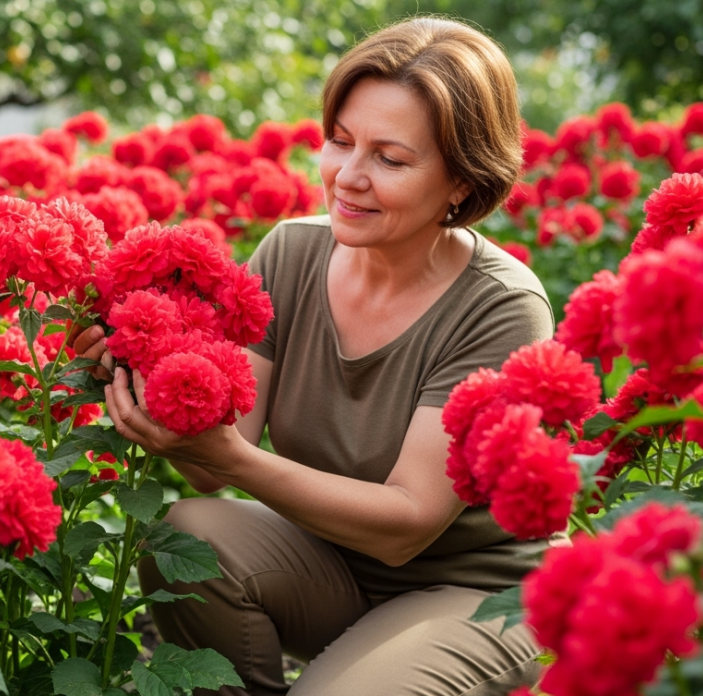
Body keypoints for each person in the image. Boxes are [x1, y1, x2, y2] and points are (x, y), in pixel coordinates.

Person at [74, 17, 553, 696]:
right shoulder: (293, 253)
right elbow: (215, 460)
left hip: (475, 593)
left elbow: (407, 526)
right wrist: (134, 363)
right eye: (340, 141)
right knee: (189, 535)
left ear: (461, 183)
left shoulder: (501, 307)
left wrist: (232, 458)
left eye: (390, 158)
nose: (347, 178)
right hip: (329, 569)